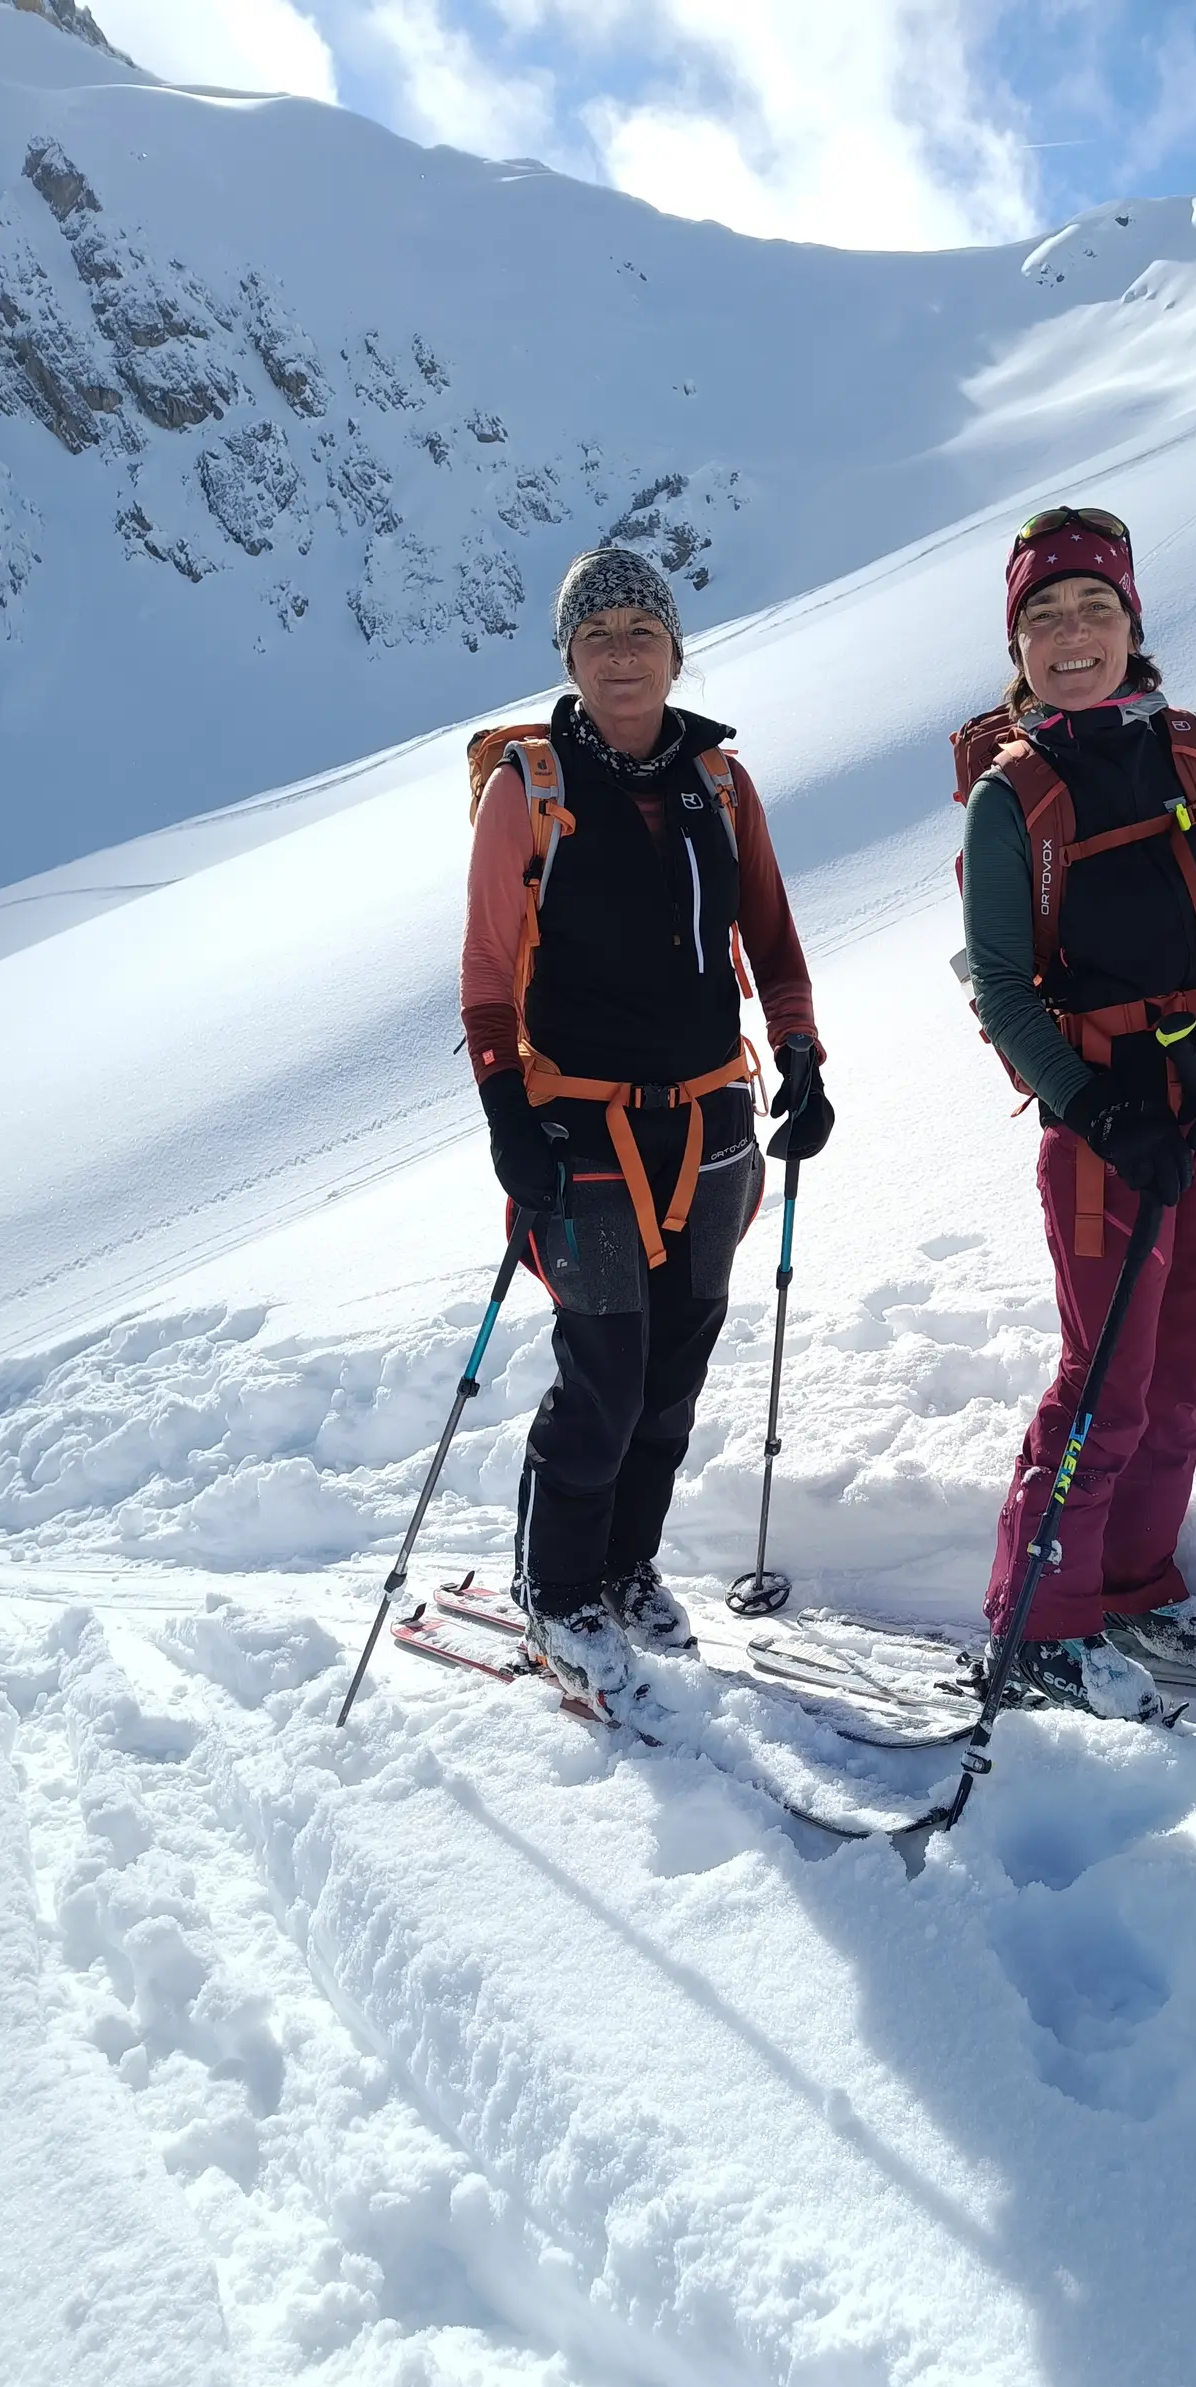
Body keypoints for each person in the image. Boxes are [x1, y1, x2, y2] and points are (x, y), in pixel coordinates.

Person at [460, 548, 832, 1706]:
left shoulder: (720, 784)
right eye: (599, 633)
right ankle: (558, 1592)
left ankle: (625, 1565)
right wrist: (505, 1111)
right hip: (579, 1128)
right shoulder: (529, 787)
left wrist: (802, 1047)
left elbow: (771, 938)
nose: (622, 652)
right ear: (568, 656)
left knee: (673, 1368)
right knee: (607, 1373)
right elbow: (486, 971)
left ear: (676, 650)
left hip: (711, 1118)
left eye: (642, 630)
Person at [961, 506, 1196, 1716]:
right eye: (1045, 614)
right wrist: (1097, 1111)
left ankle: (1134, 1585)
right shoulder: (1010, 797)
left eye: (1094, 606)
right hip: (1106, 1124)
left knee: (1186, 1376)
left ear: (1132, 621)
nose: (1073, 633)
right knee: (1105, 1379)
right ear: (1019, 643)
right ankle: (1038, 1622)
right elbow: (1002, 985)